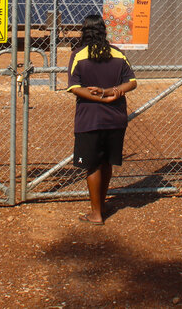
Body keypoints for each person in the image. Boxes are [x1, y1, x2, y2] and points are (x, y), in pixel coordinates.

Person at [66, 13, 137, 225]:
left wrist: (99, 95)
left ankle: (96, 213)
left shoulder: (78, 55)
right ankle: (102, 203)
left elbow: (74, 87)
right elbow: (132, 82)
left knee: (92, 165)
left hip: (90, 119)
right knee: (107, 162)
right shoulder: (117, 54)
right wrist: (111, 92)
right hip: (115, 118)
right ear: (104, 31)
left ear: (84, 31)